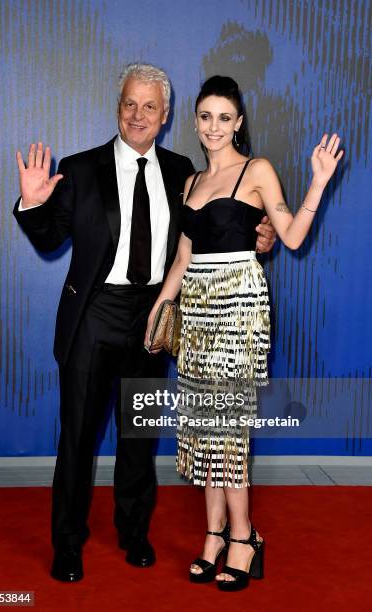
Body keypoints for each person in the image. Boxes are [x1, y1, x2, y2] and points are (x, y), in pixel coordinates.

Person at [13, 64, 276, 582]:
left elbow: (217, 236)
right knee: (78, 439)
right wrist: (33, 203)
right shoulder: (81, 168)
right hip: (93, 315)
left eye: (150, 106)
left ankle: (134, 532)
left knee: (138, 437)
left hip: (154, 317)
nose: (138, 115)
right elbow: (48, 239)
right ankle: (68, 543)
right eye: (130, 103)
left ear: (165, 115)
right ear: (119, 107)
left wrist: (260, 237)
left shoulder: (185, 173)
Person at [145, 75, 343, 591]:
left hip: (240, 312)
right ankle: (213, 534)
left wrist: (318, 181)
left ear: (239, 122)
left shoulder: (257, 170)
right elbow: (184, 257)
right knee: (204, 431)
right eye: (206, 117)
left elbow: (293, 237)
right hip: (197, 314)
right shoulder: (190, 183)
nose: (214, 127)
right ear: (194, 120)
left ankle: (243, 536)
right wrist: (161, 306)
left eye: (225, 117)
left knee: (227, 432)